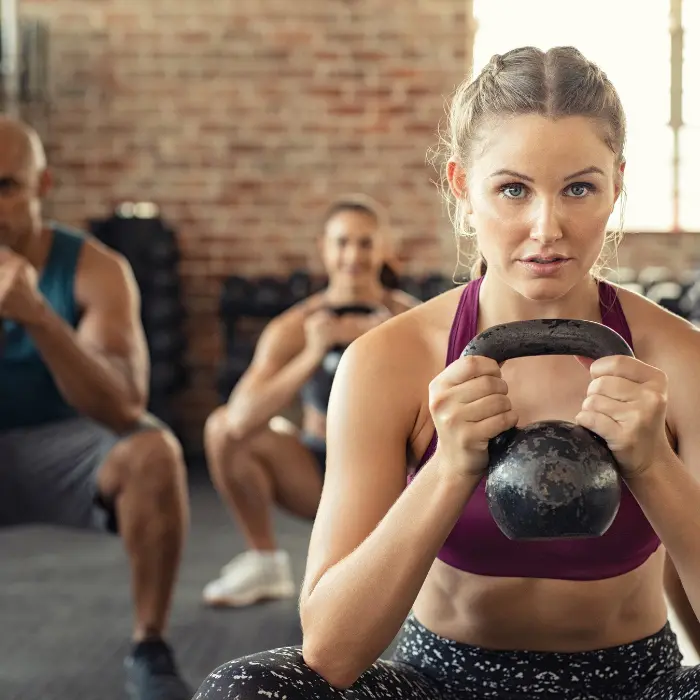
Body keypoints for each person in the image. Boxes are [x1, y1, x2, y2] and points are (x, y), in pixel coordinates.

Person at [193, 47, 700, 699]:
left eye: (579, 187)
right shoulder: (388, 361)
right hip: (440, 679)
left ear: (616, 184)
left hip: (634, 681)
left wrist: (654, 463)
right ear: (463, 188)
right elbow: (330, 649)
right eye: (513, 188)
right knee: (246, 688)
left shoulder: (679, 359)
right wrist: (448, 467)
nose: (547, 228)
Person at [0, 117, 191, 700]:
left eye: (5, 186)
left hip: (68, 445)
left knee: (154, 450)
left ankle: (148, 646)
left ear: (42, 185)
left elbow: (123, 405)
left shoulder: (95, 269)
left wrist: (38, 317)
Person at [202, 195, 419, 608]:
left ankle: (432, 566)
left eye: (365, 243)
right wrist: (311, 353)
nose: (352, 255)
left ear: (385, 248)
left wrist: (389, 347)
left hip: (393, 475)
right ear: (323, 247)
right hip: (317, 472)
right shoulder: (294, 327)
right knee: (219, 427)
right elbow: (239, 420)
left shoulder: (410, 320)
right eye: (342, 243)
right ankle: (264, 562)